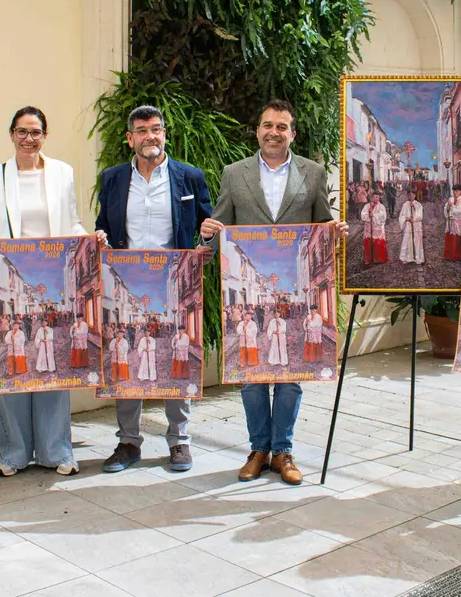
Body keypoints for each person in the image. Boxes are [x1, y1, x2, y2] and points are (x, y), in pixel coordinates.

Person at [200, 98, 347, 486]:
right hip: (250, 297)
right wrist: (205, 241)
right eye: (267, 125)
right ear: (258, 130)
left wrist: (336, 237)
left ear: (292, 133)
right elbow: (220, 222)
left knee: (289, 374)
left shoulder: (313, 174)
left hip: (295, 294)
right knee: (251, 375)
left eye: (282, 126)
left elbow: (322, 230)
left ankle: (283, 450)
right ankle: (257, 449)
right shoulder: (235, 174)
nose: (274, 132)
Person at [0, 106, 107, 478]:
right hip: (6, 289)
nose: (28, 138)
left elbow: (73, 223)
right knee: (12, 368)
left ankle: (56, 450)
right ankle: (14, 452)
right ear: (11, 134)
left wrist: (89, 240)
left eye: (35, 132)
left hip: (53, 289)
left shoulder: (61, 172)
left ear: (45, 136)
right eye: (21, 131)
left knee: (52, 367)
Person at [95, 105, 212, 473]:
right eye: (142, 130)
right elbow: (104, 225)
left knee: (178, 360)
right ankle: (128, 442)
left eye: (157, 129)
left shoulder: (189, 177)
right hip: (125, 288)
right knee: (126, 360)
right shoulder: (112, 178)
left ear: (165, 134)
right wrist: (100, 238)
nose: (151, 136)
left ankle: (179, 441)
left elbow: (209, 224)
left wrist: (207, 249)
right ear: (130, 138)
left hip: (174, 285)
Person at [398, 188, 425, 264]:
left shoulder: (418, 204)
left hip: (416, 225)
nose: (411, 196)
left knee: (416, 240)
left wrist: (414, 208)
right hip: (408, 225)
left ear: (415, 195)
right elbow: (401, 216)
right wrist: (407, 218)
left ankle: (417, 257)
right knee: (407, 240)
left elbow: (420, 215)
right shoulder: (405, 205)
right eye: (409, 195)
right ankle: (407, 257)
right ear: (408, 196)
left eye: (413, 194)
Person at [361, 192, 388, 265]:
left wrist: (374, 215)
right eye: (374, 197)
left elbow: (383, 216)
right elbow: (363, 214)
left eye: (377, 197)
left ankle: (378, 258)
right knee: (369, 242)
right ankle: (369, 258)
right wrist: (368, 215)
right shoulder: (367, 206)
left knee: (377, 242)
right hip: (369, 227)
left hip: (377, 227)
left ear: (379, 198)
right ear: (371, 197)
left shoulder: (381, 206)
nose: (375, 198)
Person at [443, 185, 461, 261]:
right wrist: (447, 209)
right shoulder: (450, 199)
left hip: (459, 222)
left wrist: (452, 208)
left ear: (460, 191)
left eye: (457, 191)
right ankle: (450, 254)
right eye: (454, 191)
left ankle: (459, 255)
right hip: (451, 221)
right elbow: (446, 207)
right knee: (451, 237)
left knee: (458, 238)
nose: (455, 192)